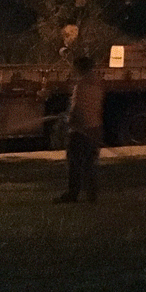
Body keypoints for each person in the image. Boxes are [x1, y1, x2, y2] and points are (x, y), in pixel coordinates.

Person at [55, 55, 104, 203]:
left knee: (75, 163)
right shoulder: (97, 84)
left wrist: (69, 121)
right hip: (95, 128)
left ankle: (73, 193)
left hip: (80, 131)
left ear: (79, 68)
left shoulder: (81, 85)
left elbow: (77, 107)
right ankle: (92, 194)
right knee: (90, 163)